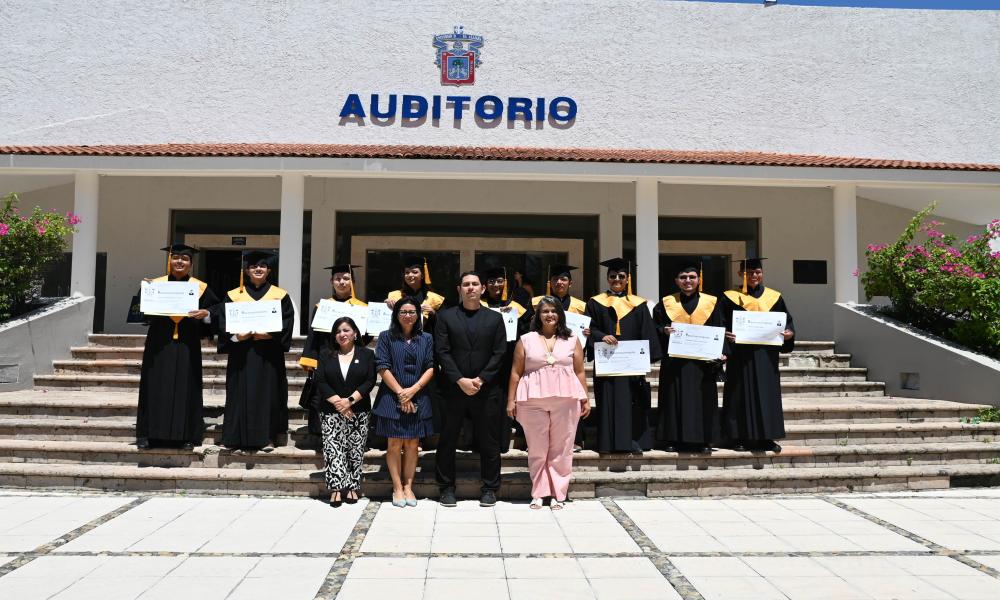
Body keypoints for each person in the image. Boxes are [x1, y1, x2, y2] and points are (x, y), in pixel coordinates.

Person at [507, 296, 590, 509]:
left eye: (553, 311)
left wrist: (585, 398)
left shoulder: (572, 339)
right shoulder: (526, 339)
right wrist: (511, 400)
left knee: (561, 449)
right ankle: (539, 492)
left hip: (566, 399)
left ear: (560, 314)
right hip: (532, 401)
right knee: (537, 448)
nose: (549, 315)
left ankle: (557, 494)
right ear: (538, 315)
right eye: (545, 311)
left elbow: (579, 371)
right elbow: (516, 372)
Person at [434, 271, 507, 507]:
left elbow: (499, 353)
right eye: (466, 284)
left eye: (475, 284)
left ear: (483, 289)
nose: (471, 288)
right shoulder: (445, 317)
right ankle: (446, 488)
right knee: (447, 439)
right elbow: (442, 352)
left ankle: (489, 488)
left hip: (486, 390)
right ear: (459, 289)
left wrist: (481, 379)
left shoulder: (495, 319)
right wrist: (460, 380)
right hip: (453, 390)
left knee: (489, 441)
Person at [135, 244, 219, 450]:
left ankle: (187, 436)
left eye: (185, 259)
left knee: (186, 385)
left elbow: (216, 309)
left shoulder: (200, 287)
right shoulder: (156, 284)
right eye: (176, 257)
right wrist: (145, 294)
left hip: (186, 344)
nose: (180, 262)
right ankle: (149, 435)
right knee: (154, 385)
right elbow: (139, 313)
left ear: (191, 264)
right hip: (159, 343)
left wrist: (206, 314)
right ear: (169, 261)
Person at [217, 250, 295, 451]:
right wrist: (236, 337)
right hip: (241, 353)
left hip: (268, 355)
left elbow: (287, 323)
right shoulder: (234, 295)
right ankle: (233, 438)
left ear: (268, 270)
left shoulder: (280, 295)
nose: (258, 269)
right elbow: (223, 323)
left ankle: (266, 438)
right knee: (237, 393)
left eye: (262, 266)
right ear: (246, 270)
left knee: (268, 394)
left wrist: (270, 335)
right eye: (253, 266)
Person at [586, 258, 662, 454]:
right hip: (607, 363)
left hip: (631, 365)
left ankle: (632, 441)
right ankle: (608, 443)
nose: (616, 279)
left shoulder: (638, 304)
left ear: (628, 279)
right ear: (607, 278)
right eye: (612, 276)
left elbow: (647, 332)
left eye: (621, 276)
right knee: (607, 400)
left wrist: (646, 358)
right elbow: (590, 328)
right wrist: (602, 336)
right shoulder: (596, 302)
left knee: (632, 402)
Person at [720, 257, 795, 452]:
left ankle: (766, 438)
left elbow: (787, 321)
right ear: (740, 274)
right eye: (749, 272)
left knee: (767, 394)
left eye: (757, 272)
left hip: (765, 355)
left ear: (762, 273)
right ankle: (738, 438)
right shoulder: (729, 297)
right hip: (740, 355)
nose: (754, 276)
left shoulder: (774, 297)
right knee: (739, 393)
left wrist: (789, 333)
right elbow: (719, 323)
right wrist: (724, 336)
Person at [652, 264, 726, 453]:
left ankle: (703, 441)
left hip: (702, 363)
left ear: (699, 279)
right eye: (683, 277)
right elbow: (654, 328)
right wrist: (663, 330)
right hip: (675, 362)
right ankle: (672, 439)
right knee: (672, 399)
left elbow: (720, 328)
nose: (687, 281)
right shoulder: (666, 303)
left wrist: (723, 351)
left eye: (692, 277)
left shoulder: (712, 302)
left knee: (702, 399)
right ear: (676, 281)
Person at [372, 297, 436, 507]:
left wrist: (413, 390)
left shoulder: (426, 338)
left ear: (418, 315)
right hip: (392, 396)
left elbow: (431, 366)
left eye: (411, 312)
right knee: (394, 443)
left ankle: (409, 486)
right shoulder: (386, 337)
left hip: (419, 394)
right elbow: (382, 366)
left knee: (412, 444)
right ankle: (397, 487)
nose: (407, 316)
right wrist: (401, 393)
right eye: (403, 312)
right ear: (396, 314)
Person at [314, 316, 376, 507]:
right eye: (338, 331)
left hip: (358, 409)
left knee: (355, 450)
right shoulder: (325, 354)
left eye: (346, 330)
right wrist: (338, 404)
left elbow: (369, 380)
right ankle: (335, 488)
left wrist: (349, 402)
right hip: (330, 410)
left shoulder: (367, 354)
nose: (342, 334)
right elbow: (321, 381)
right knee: (334, 449)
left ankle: (352, 486)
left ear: (355, 333)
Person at [300, 264, 368, 435]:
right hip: (327, 357)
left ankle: (353, 432)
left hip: (351, 358)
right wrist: (311, 362)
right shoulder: (322, 307)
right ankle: (323, 435)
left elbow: (365, 338)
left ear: (352, 281)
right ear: (332, 281)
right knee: (325, 395)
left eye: (346, 278)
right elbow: (313, 336)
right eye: (338, 278)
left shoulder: (361, 308)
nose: (342, 282)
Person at [482, 266, 533, 451]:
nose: (495, 285)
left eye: (499, 281)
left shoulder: (517, 307)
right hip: (485, 362)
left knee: (506, 398)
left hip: (509, 361)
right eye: (491, 281)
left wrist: (514, 319)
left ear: (505, 283)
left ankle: (503, 441)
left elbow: (527, 332)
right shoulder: (479, 306)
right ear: (485, 285)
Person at [385, 255, 446, 324]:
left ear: (422, 275)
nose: (410, 275)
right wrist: (385, 304)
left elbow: (444, 323)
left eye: (414, 272)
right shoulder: (394, 296)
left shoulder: (434, 299)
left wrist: (433, 313)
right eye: (407, 272)